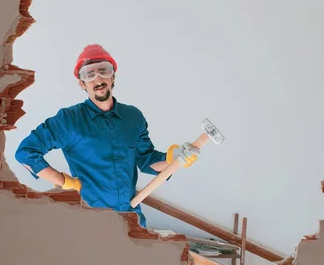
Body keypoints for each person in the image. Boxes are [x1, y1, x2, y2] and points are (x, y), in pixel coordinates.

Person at [14, 44, 200, 227]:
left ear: (113, 77)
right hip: (90, 223)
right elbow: (25, 153)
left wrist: (173, 159)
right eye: (90, 74)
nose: (98, 79)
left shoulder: (133, 117)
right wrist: (64, 181)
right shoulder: (69, 120)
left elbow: (146, 160)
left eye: (104, 71)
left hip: (131, 220)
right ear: (82, 83)